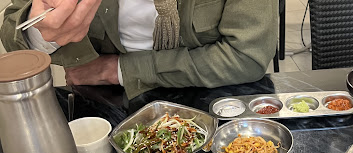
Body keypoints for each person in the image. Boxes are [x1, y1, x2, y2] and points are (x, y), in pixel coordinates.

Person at [0, 0, 278, 99]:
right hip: (106, 100)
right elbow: (15, 31)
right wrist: (47, 32)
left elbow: (245, 57)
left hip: (214, 91)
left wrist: (116, 70)